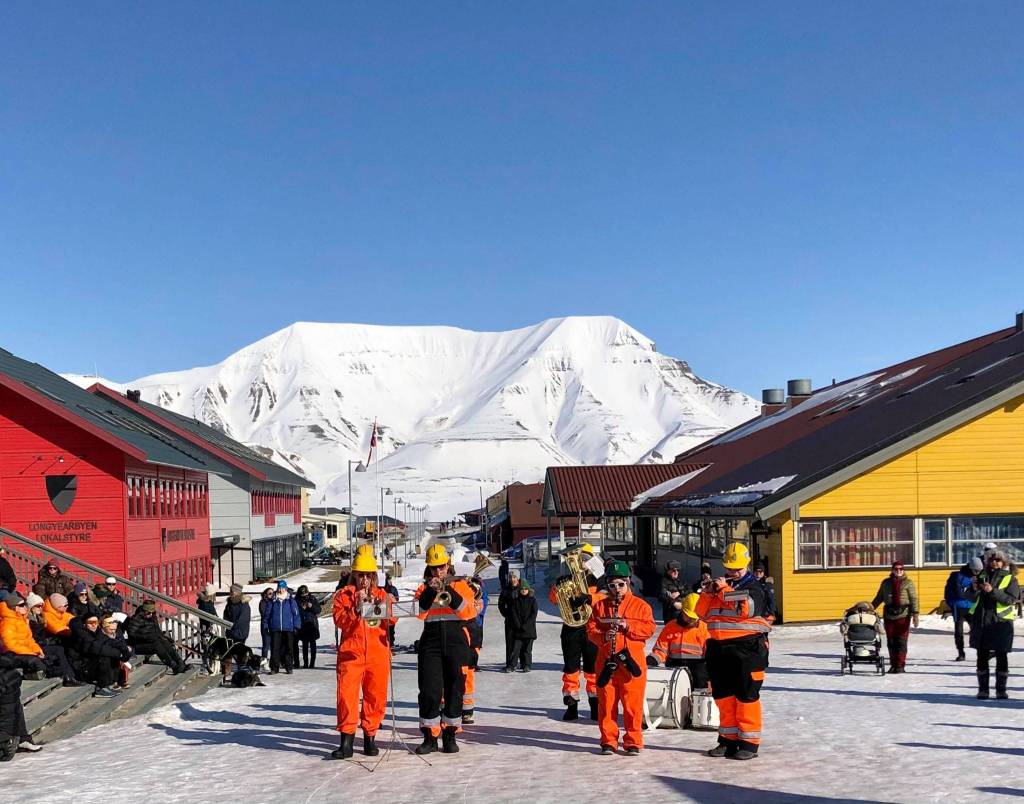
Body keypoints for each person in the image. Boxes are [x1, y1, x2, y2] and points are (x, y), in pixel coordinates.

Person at [697, 542, 772, 761]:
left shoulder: (756, 587)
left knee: (746, 696)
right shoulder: (721, 587)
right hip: (719, 649)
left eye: (737, 568)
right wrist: (708, 593)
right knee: (723, 697)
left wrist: (723, 590)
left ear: (747, 564)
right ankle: (727, 740)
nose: (734, 572)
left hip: (747, 649)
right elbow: (701, 613)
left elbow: (745, 609)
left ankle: (749, 743)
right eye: (730, 568)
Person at [330, 547, 393, 759]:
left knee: (375, 696)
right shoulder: (343, 596)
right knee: (346, 697)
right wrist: (356, 608)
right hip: (351, 654)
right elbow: (340, 621)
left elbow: (393, 619)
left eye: (368, 576)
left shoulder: (382, 595)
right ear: (354, 576)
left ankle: (370, 738)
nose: (364, 580)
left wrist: (383, 606)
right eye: (360, 576)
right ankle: (346, 742)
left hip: (377, 654)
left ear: (373, 577)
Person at [586, 561, 656, 755]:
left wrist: (629, 627)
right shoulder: (599, 606)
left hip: (631, 663)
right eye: (612, 585)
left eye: (621, 584)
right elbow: (591, 630)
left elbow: (650, 629)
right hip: (606, 662)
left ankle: (633, 741)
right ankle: (608, 741)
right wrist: (603, 636)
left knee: (632, 705)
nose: (616, 589)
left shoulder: (641, 606)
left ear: (628, 582)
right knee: (606, 705)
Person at [413, 544, 476, 755]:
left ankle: (450, 734)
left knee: (454, 689)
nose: (438, 571)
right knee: (429, 690)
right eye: (434, 568)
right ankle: (430, 737)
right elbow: (419, 613)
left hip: (456, 640)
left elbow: (468, 612)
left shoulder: (460, 585)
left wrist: (447, 589)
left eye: (441, 567)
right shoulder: (424, 588)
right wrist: (431, 590)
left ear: (448, 565)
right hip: (431, 642)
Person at [548, 543, 604, 720]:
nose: (581, 563)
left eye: (584, 559)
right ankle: (571, 704)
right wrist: (557, 589)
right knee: (571, 668)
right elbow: (553, 600)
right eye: (578, 560)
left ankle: (595, 705)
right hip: (571, 629)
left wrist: (589, 598)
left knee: (593, 669)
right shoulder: (567, 579)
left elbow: (607, 599)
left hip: (593, 629)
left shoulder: (600, 580)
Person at [967, 550, 1019, 699]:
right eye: (991, 560)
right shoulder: (981, 576)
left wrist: (992, 591)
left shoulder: (1010, 578)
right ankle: (983, 690)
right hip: (982, 622)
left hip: (1000, 623)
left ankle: (1001, 690)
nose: (994, 562)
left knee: (1001, 656)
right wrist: (973, 589)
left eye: (998, 560)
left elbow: (1011, 599)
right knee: (981, 657)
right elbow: (969, 597)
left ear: (1003, 562)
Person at [647, 592, 710, 688]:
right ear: (683, 611)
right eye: (688, 616)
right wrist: (653, 660)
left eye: (694, 617)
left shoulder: (705, 629)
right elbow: (661, 649)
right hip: (674, 669)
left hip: (698, 672)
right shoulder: (670, 626)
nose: (691, 619)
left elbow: (711, 655)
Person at [871, 560, 919, 673]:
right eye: (896, 569)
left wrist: (915, 614)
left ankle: (900, 665)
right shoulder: (886, 583)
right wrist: (870, 608)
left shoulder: (908, 583)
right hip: (889, 615)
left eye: (901, 569)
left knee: (901, 641)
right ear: (892, 570)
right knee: (891, 641)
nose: (898, 571)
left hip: (904, 614)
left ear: (903, 570)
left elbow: (914, 599)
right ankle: (893, 665)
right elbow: (879, 597)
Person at [25, 593, 80, 686]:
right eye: (38, 606)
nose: (41, 608)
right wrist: (46, 641)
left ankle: (70, 675)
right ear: (31, 607)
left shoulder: (39, 617)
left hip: (41, 643)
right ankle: (69, 677)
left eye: (41, 606)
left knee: (63, 647)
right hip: (34, 646)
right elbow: (30, 637)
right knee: (59, 649)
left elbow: (70, 618)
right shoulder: (28, 620)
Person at [70, 613, 126, 697]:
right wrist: (119, 653)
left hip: (90, 666)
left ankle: (110, 683)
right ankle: (101, 688)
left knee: (111, 655)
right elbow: (96, 648)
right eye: (90, 623)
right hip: (81, 669)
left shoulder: (97, 633)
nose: (93, 625)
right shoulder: (82, 636)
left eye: (95, 622)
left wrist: (123, 649)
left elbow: (108, 641)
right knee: (103, 657)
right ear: (84, 624)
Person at [126, 600, 187, 674]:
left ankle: (180, 663)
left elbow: (157, 631)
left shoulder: (152, 617)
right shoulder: (136, 619)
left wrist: (165, 638)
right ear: (144, 611)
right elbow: (132, 635)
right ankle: (174, 666)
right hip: (138, 645)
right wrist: (146, 637)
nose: (151, 614)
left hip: (151, 641)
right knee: (157, 645)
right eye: (149, 612)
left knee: (165, 642)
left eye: (152, 612)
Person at [0, 593, 46, 679]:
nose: (25, 607)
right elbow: (11, 645)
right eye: (21, 605)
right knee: (38, 662)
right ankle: (28, 675)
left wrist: (37, 650)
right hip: (11, 654)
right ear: (14, 608)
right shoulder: (7, 623)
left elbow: (29, 639)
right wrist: (31, 653)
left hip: (24, 652)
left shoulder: (22, 619)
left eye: (25, 604)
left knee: (50, 655)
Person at [945, 558, 982, 661]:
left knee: (976, 628)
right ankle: (961, 652)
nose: (977, 573)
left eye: (979, 571)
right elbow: (958, 593)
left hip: (970, 606)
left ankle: (981, 651)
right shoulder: (958, 576)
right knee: (959, 630)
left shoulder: (976, 577)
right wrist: (972, 592)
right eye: (976, 571)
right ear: (971, 568)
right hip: (958, 606)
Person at [461, 575, 486, 725]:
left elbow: (477, 610)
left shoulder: (476, 598)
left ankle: (467, 711)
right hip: (459, 638)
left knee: (468, 677)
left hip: (472, 638)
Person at [218, 583, 252, 682]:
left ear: (237, 592)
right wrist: (227, 624)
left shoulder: (244, 604)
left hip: (240, 632)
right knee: (227, 653)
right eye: (230, 591)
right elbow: (226, 615)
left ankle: (241, 672)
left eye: (232, 591)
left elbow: (243, 620)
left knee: (240, 654)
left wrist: (232, 627)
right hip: (230, 631)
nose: (231, 593)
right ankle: (226, 673)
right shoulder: (229, 603)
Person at [504, 578, 538, 673]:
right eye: (522, 589)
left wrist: (526, 626)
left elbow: (533, 615)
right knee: (516, 649)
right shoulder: (515, 601)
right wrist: (518, 625)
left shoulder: (532, 600)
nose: (524, 590)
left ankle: (526, 665)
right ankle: (512, 665)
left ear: (528, 590)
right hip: (518, 630)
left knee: (527, 650)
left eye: (525, 589)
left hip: (529, 630)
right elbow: (513, 613)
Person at [267, 580, 300, 674]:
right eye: (279, 588)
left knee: (288, 648)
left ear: (285, 588)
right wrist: (266, 626)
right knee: (275, 648)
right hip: (275, 628)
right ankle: (274, 668)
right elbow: (267, 614)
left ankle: (289, 667)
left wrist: (296, 626)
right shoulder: (273, 600)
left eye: (282, 588)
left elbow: (296, 614)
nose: (281, 590)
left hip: (288, 628)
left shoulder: (290, 600)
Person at [498, 570, 522, 671]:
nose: (512, 579)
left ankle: (522, 663)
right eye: (511, 577)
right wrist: (506, 614)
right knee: (510, 643)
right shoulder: (506, 590)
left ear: (518, 578)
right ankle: (510, 664)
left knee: (520, 643)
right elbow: (501, 604)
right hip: (510, 621)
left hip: (521, 620)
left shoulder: (522, 589)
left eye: (514, 577)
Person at [298, 593, 321, 669]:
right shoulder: (298, 600)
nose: (305, 595)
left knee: (312, 644)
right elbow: (296, 612)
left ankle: (312, 663)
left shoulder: (313, 599)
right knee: (304, 645)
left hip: (312, 625)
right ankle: (305, 663)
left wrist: (311, 606)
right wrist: (302, 608)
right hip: (303, 625)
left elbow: (318, 610)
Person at [258, 587, 275, 665]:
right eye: (270, 593)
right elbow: (264, 613)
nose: (272, 595)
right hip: (265, 626)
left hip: (274, 625)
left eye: (273, 593)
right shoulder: (263, 602)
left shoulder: (274, 602)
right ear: (265, 594)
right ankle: (264, 661)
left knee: (274, 645)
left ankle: (273, 662)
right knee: (266, 645)